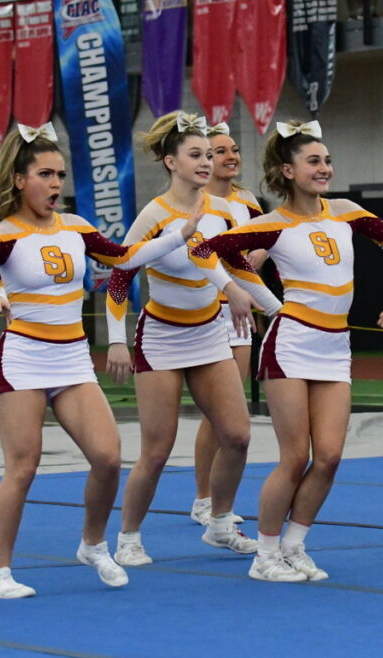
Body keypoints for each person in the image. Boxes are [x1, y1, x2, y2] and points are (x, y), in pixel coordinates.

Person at [0, 123, 197, 598]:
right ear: (19, 179)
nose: (55, 183)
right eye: (45, 174)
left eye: (60, 174)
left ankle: (92, 544)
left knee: (108, 457)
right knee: (22, 468)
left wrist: (177, 235)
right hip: (25, 359)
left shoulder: (76, 226)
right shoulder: (3, 236)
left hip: (72, 360)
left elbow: (125, 257)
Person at [191, 119, 383, 582]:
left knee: (329, 457)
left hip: (335, 348)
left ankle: (294, 545)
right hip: (291, 345)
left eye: (327, 160)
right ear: (288, 171)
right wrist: (249, 295)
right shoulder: (272, 223)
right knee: (294, 458)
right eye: (314, 161)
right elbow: (205, 251)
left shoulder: (347, 211)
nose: (324, 168)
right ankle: (265, 556)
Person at [104, 112, 258, 565]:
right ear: (171, 162)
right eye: (196, 155)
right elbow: (120, 276)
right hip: (162, 338)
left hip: (210, 333)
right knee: (156, 451)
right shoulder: (154, 214)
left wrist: (272, 307)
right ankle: (128, 537)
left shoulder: (224, 210)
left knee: (238, 435)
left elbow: (238, 268)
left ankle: (220, 521)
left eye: (209, 154)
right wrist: (116, 340)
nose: (206, 162)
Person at [187, 121, 266, 527]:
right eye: (220, 151)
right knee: (216, 411)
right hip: (204, 309)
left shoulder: (247, 201)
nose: (231, 156)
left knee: (232, 409)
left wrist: (255, 261)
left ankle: (221, 500)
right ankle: (203, 498)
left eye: (234, 149)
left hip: (239, 310)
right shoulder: (193, 201)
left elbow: (267, 238)